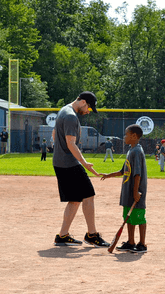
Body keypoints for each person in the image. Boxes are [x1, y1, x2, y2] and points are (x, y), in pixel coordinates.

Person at [52, 91, 110, 247]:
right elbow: (71, 143)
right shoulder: (71, 116)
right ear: (83, 102)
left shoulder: (63, 110)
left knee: (75, 199)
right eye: (89, 108)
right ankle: (92, 235)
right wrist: (84, 163)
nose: (88, 111)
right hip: (69, 163)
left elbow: (53, 135)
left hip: (61, 161)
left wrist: (59, 150)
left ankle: (63, 235)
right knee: (89, 195)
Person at [101, 124, 147, 253]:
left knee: (139, 218)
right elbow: (123, 171)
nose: (124, 137)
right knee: (129, 217)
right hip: (127, 192)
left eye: (126, 134)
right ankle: (131, 242)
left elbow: (137, 174)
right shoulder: (130, 150)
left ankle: (142, 244)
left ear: (134, 136)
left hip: (136, 192)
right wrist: (108, 175)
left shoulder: (137, 151)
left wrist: (135, 191)